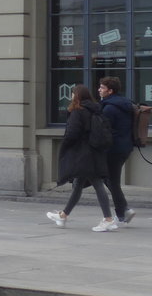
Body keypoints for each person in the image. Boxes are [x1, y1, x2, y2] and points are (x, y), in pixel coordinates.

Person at [48, 83, 118, 232]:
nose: (72, 96)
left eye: (73, 93)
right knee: (78, 184)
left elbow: (72, 133)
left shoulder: (78, 111)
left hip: (82, 154)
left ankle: (108, 219)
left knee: (98, 184)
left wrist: (65, 146)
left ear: (77, 96)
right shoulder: (96, 109)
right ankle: (63, 215)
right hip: (94, 152)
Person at [99, 76, 137, 226]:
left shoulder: (109, 108)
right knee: (110, 179)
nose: (99, 90)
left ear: (110, 91)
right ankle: (123, 211)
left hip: (113, 149)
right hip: (125, 147)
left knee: (111, 180)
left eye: (102, 88)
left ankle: (123, 212)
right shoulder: (125, 104)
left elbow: (105, 131)